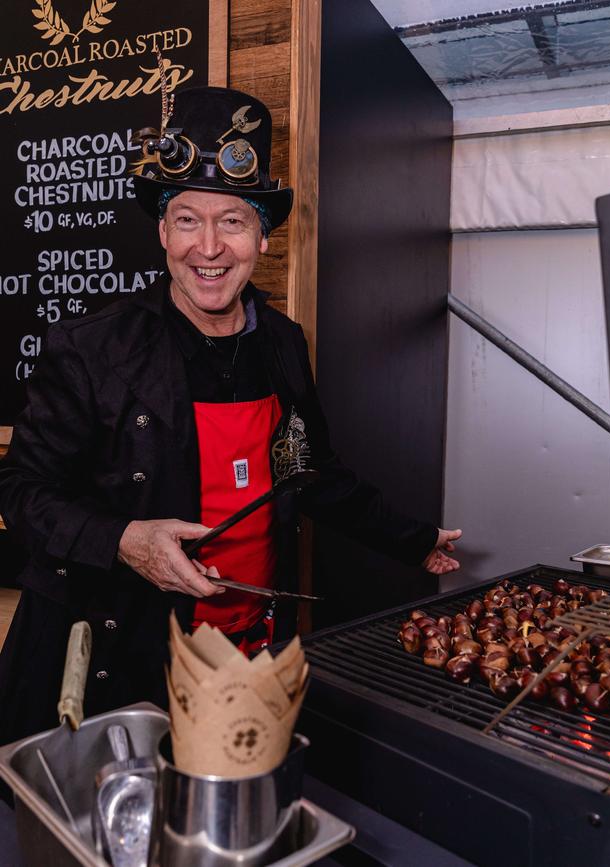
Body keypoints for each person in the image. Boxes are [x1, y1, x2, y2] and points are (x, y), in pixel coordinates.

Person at [0, 86, 461, 746]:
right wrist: (125, 540)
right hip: (118, 662)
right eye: (188, 220)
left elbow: (310, 474)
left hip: (244, 654)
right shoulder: (91, 349)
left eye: (233, 221)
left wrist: (412, 537)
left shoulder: (281, 341)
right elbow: (19, 492)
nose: (208, 247)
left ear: (263, 236)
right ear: (162, 231)